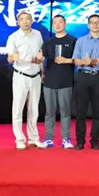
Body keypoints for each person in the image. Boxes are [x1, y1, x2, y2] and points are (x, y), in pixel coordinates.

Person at [71, 14, 99, 150]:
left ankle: (95, 140)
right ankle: (80, 141)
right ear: (88, 25)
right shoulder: (81, 41)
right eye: (92, 22)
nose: (95, 25)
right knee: (81, 111)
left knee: (97, 111)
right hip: (83, 76)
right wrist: (83, 62)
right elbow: (75, 60)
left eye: (97, 23)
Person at [5, 10, 47, 150]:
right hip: (21, 75)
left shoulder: (38, 34)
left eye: (27, 19)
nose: (25, 21)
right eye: (22, 19)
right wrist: (13, 58)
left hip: (35, 76)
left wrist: (42, 70)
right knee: (18, 108)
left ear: (31, 21)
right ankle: (19, 139)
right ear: (18, 22)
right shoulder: (13, 37)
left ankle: (34, 138)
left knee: (34, 109)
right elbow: (9, 58)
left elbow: (40, 55)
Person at [40, 15, 77, 149]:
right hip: (49, 80)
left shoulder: (73, 40)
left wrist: (66, 60)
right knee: (49, 112)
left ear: (65, 24)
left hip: (65, 81)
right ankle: (48, 138)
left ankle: (66, 139)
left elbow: (78, 60)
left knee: (65, 112)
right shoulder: (48, 41)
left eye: (60, 22)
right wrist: (42, 72)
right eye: (55, 22)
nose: (57, 25)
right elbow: (42, 57)